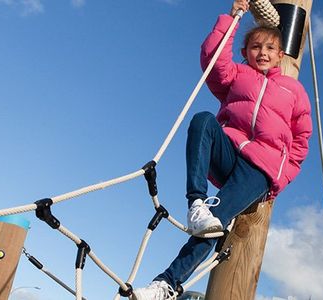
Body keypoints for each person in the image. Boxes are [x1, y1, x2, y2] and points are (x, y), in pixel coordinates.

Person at [133, 0, 312, 299]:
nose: (263, 53)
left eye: (269, 48)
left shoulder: (294, 91)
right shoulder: (238, 76)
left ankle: (165, 284)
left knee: (215, 226)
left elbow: (300, 141)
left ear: (280, 55)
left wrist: (277, 181)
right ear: (245, 53)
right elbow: (213, 60)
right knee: (203, 120)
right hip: (229, 151)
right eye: (255, 47)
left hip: (260, 170)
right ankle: (196, 203)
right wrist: (232, 20)